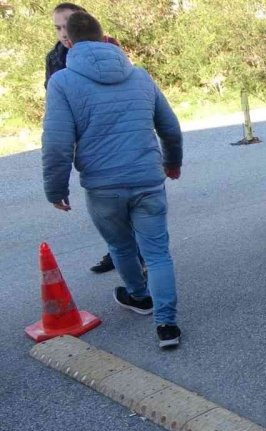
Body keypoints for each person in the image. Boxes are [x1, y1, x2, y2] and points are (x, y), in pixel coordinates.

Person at [42, 11, 184, 349]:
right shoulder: (139, 76)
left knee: (121, 246)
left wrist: (55, 189)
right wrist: (172, 162)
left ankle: (139, 296)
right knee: (157, 254)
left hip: (103, 186)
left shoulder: (62, 82)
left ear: (69, 41)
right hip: (147, 179)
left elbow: (58, 143)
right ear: (103, 36)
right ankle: (167, 325)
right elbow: (170, 127)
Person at [45, 2, 134, 274]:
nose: (63, 32)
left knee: (125, 200)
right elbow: (54, 104)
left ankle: (131, 256)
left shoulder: (108, 48)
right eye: (57, 27)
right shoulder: (55, 57)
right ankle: (120, 250)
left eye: (67, 25)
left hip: (116, 136)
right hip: (87, 142)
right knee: (106, 206)